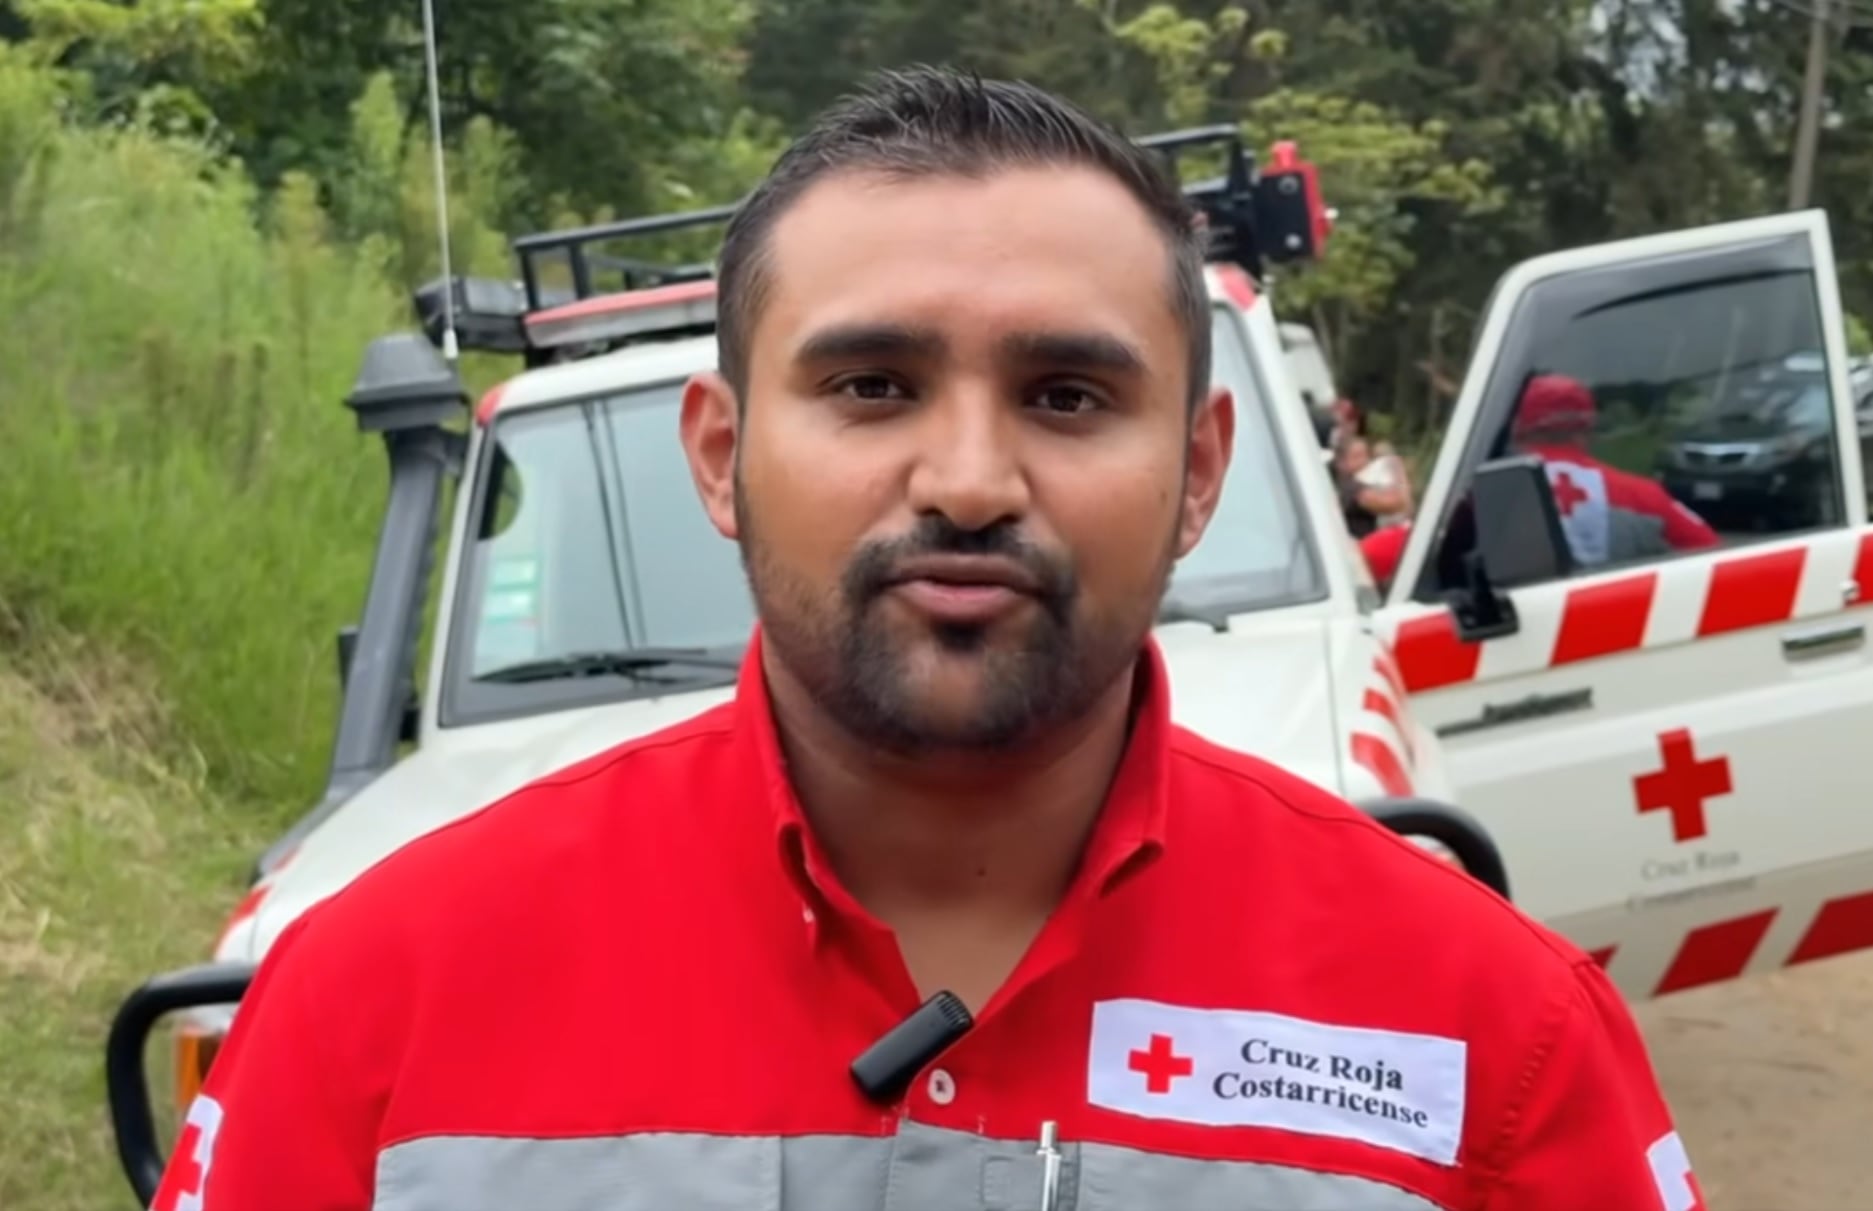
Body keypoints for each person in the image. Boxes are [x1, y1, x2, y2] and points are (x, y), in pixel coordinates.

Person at [153, 68, 1704, 1211]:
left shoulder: (1492, 1038)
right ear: (719, 452)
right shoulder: (374, 999)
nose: (967, 478)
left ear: (1202, 468)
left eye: (1068, 396)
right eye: (872, 386)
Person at [1511, 373, 1718, 566]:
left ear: (1519, 428)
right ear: (1590, 427)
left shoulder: (1491, 491)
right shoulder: (1642, 495)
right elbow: (1711, 557)